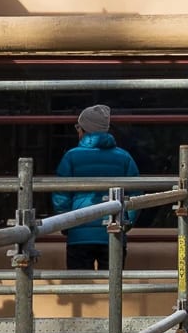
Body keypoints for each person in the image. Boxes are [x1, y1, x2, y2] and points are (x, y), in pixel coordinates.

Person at [52, 104, 140, 271]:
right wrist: (126, 221)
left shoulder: (71, 156)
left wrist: (65, 223)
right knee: (114, 284)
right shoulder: (124, 157)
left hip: (79, 234)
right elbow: (136, 193)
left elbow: (61, 194)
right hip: (114, 232)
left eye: (78, 127)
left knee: (79, 285)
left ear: (83, 130)